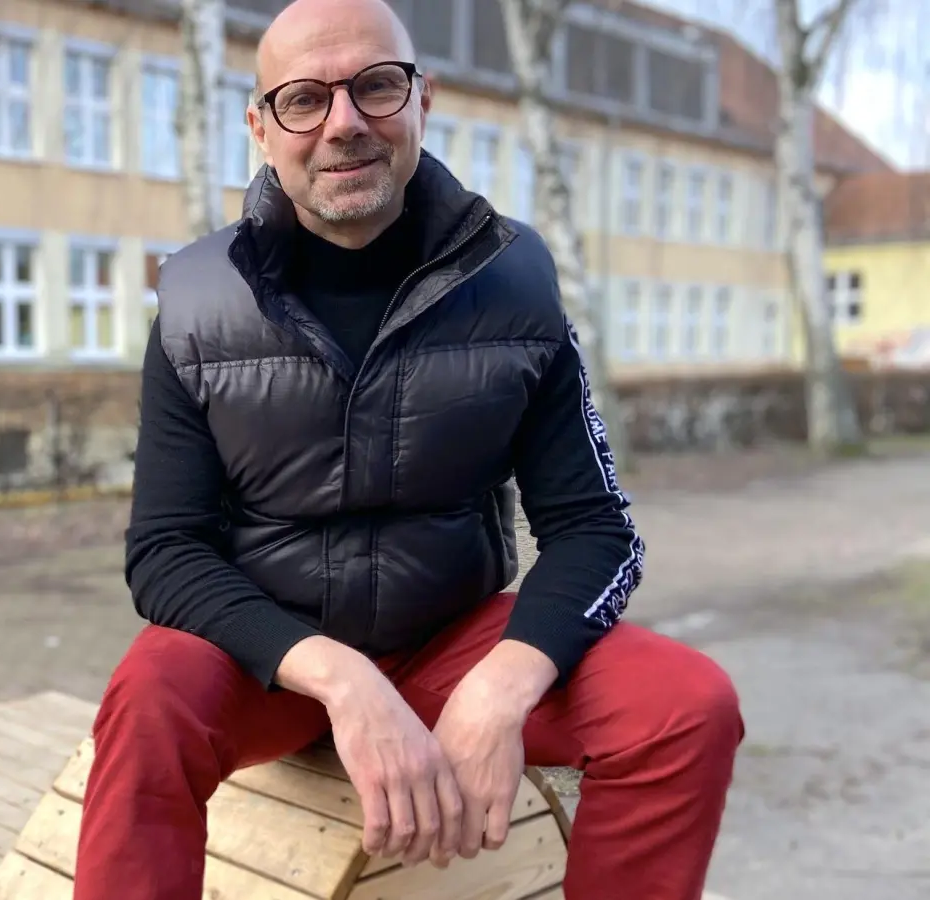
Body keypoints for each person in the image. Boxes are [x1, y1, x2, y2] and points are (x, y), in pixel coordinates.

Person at [72, 0, 745, 897]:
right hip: (263, 664)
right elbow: (163, 554)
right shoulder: (197, 301)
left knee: (685, 710)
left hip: (448, 644)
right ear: (261, 128)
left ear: (422, 99)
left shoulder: (514, 281)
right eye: (304, 99)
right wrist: (340, 680)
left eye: (375, 87)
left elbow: (596, 531)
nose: (343, 124)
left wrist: (503, 683)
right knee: (149, 695)